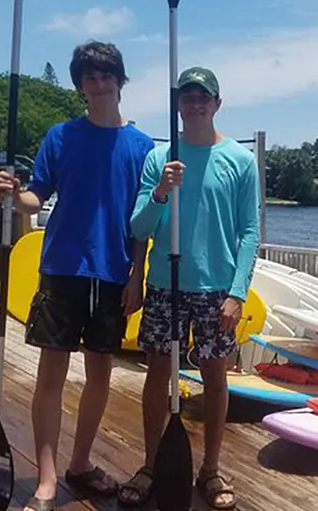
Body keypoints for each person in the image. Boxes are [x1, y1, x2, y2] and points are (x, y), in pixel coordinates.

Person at [0, 40, 154, 511]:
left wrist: (137, 274)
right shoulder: (60, 137)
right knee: (52, 376)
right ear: (80, 86)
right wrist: (10, 194)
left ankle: (80, 463)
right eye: (89, 78)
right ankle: (45, 479)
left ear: (120, 81)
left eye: (106, 77)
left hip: (113, 273)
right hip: (63, 268)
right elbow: (33, 200)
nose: (98, 85)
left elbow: (143, 223)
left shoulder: (143, 148)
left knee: (100, 372)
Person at [120, 66, 261, 510]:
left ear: (217, 104)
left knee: (215, 378)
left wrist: (238, 292)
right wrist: (161, 190)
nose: (195, 104)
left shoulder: (240, 160)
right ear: (177, 105)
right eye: (187, 97)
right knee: (158, 374)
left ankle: (211, 469)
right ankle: (149, 464)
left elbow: (250, 231)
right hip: (165, 283)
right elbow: (138, 227)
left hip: (216, 290)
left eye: (204, 97)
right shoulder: (159, 159)